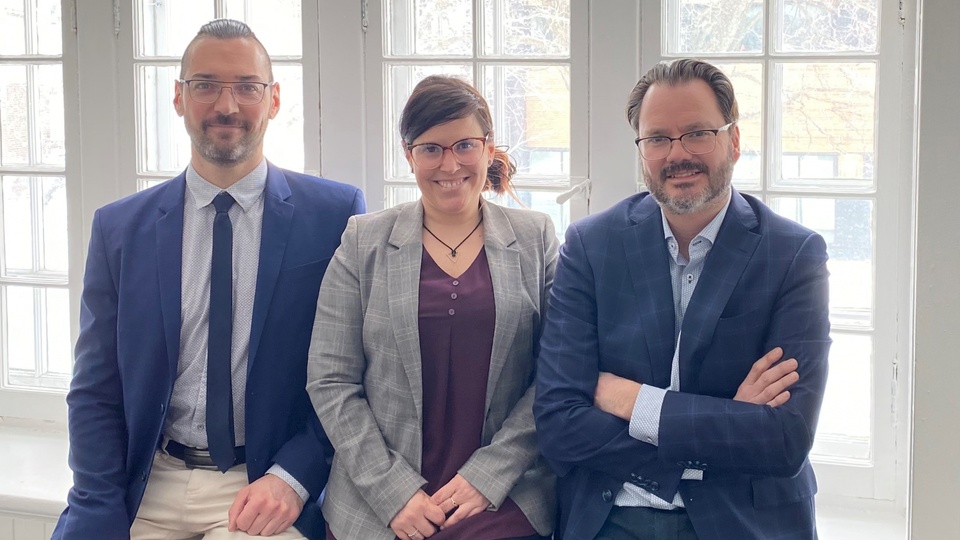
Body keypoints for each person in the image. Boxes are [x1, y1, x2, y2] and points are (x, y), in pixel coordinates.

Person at [53, 19, 365, 540]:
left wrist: (293, 479)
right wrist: (98, 502)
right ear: (179, 98)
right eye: (205, 86)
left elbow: (354, 374)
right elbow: (95, 389)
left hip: (261, 486)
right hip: (144, 485)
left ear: (274, 98)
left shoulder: (334, 215)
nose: (227, 105)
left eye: (247, 86)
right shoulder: (119, 228)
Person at [534, 58, 831, 540]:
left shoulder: (793, 254)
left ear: (733, 141)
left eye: (697, 133)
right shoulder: (590, 246)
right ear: (641, 149)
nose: (678, 154)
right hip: (610, 515)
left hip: (744, 520)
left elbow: (785, 437)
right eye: (657, 138)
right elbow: (558, 424)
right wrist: (725, 424)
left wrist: (631, 401)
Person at [306, 75, 557, 540]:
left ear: (487, 147)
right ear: (409, 155)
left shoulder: (536, 238)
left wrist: (489, 477)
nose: (450, 164)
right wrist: (392, 492)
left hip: (503, 499)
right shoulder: (364, 241)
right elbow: (330, 379)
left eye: (464, 145)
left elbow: (556, 377)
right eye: (430, 149)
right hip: (380, 506)